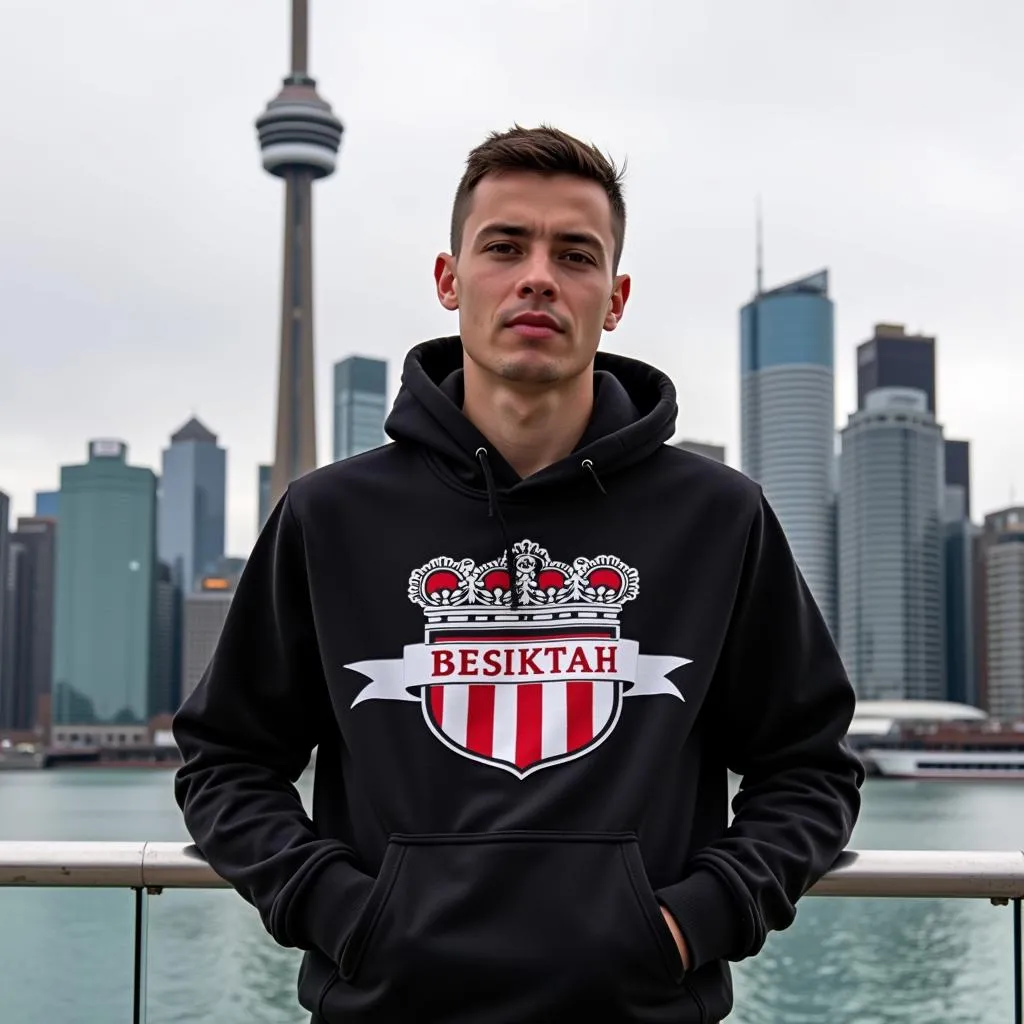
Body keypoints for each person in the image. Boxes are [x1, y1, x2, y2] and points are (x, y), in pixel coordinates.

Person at [173, 124, 863, 1024]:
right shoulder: (329, 516)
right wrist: (341, 911)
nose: (538, 274)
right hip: (383, 1007)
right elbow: (225, 762)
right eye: (505, 245)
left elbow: (810, 768)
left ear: (613, 299)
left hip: (643, 1009)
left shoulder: (718, 517)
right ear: (449, 280)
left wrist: (694, 921)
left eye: (574, 254)